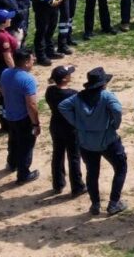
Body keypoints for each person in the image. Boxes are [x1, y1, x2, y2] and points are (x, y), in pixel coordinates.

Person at [59, 67, 128, 216]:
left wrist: (77, 123)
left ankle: (95, 204)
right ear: (103, 84)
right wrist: (115, 125)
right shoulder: (107, 96)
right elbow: (117, 110)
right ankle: (114, 203)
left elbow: (62, 106)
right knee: (121, 167)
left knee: (92, 173)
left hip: (86, 142)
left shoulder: (78, 97)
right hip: (108, 140)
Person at [0, 48, 41, 185]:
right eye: (32, 59)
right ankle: (23, 174)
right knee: (26, 145)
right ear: (27, 62)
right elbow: (32, 104)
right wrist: (35, 123)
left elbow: (2, 91)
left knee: (13, 140)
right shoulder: (28, 79)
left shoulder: (5, 73)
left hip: (9, 115)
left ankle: (12, 163)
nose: (33, 60)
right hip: (23, 118)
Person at [45, 65, 86, 197]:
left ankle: (58, 183)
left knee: (57, 154)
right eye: (69, 74)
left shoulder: (50, 91)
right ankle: (77, 186)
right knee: (74, 156)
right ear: (64, 79)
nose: (71, 75)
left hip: (55, 125)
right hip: (70, 128)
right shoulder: (73, 94)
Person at [0, 9, 17, 132]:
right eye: (8, 18)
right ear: (3, 21)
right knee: (7, 96)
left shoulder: (0, 32)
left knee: (4, 96)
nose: (10, 19)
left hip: (0, 66)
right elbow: (7, 57)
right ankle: (6, 122)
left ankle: (4, 120)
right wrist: (15, 71)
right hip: (4, 67)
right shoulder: (1, 36)